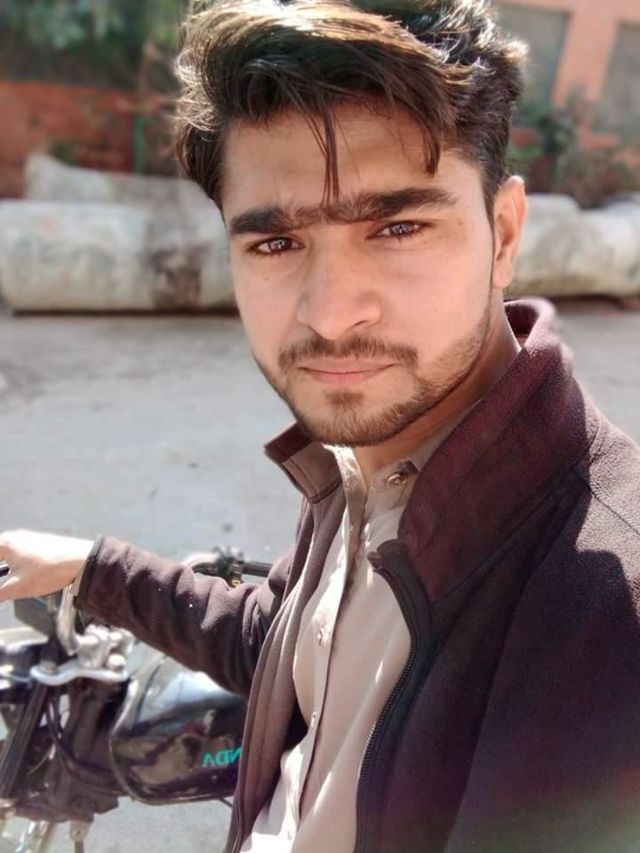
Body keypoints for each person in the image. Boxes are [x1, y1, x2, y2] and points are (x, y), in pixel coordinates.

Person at [2, 1, 640, 850]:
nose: (332, 314)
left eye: (398, 227)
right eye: (275, 244)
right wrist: (95, 569)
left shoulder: (609, 621)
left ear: (503, 235)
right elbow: (291, 648)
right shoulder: (369, 452)